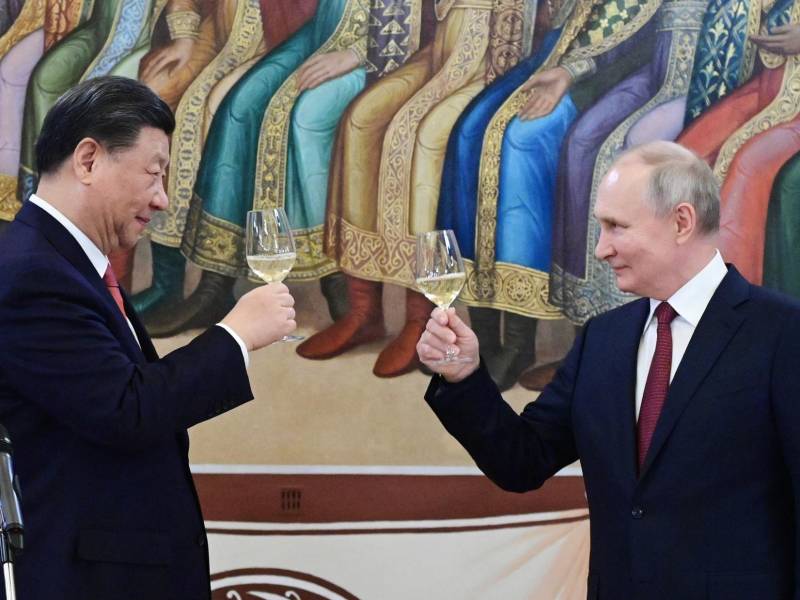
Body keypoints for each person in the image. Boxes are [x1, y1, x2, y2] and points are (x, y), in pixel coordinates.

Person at [418, 140, 800, 599]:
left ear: (682, 222)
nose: (601, 249)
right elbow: (522, 461)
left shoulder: (783, 332)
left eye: (616, 227)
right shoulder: (603, 339)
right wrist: (464, 377)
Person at [0, 76, 296, 600]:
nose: (161, 200)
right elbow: (125, 408)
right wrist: (236, 335)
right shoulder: (31, 273)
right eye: (154, 174)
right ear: (88, 160)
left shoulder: (68, 263)